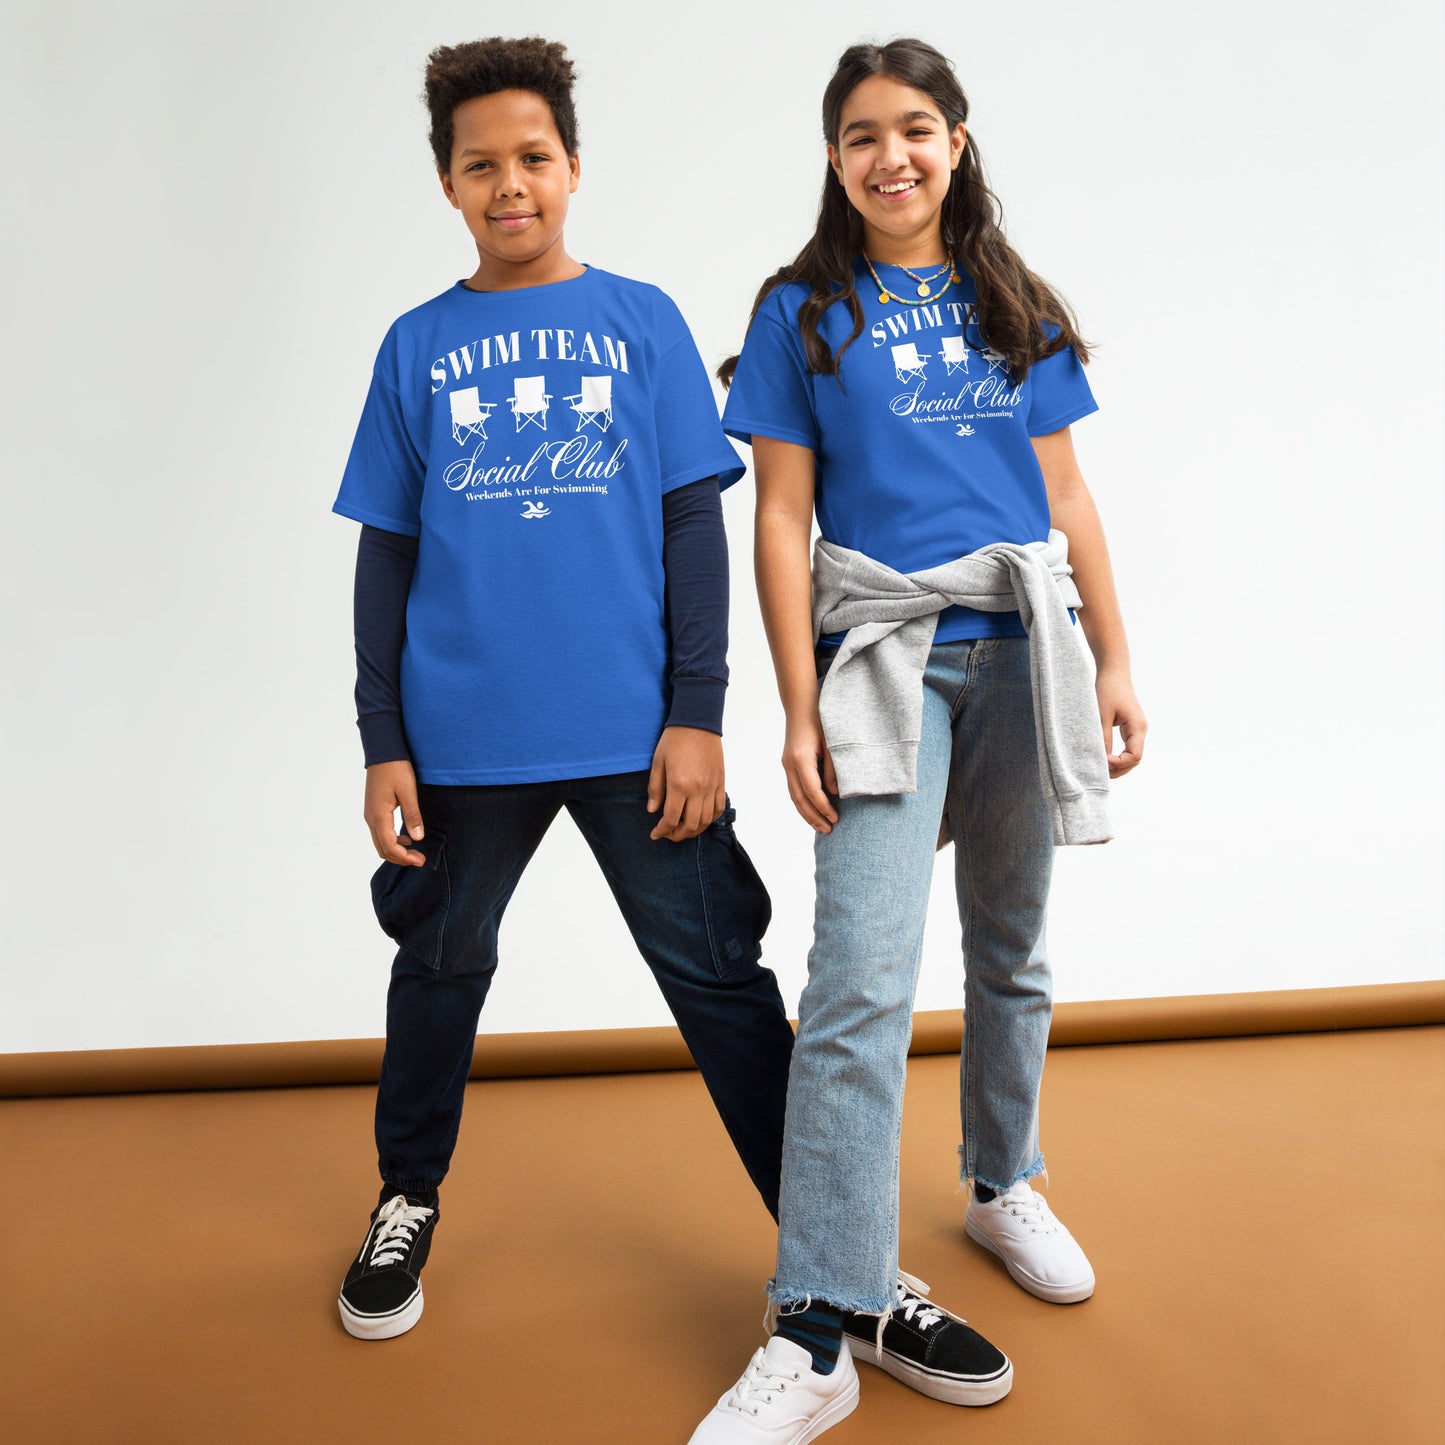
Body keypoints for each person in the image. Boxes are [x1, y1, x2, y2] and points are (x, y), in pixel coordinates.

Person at [329, 40, 1006, 1403]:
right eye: (480, 164)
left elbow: (691, 529)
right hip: (463, 742)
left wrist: (696, 715)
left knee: (727, 995)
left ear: (570, 168)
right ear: (447, 184)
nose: (509, 183)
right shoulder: (415, 345)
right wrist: (382, 737)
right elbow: (387, 554)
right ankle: (407, 1193)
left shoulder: (637, 322)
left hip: (643, 744)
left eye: (532, 157)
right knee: (440, 971)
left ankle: (846, 1270)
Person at [689, 37, 1147, 1443]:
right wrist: (789, 703)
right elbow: (777, 518)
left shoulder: (1014, 301)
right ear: (832, 161)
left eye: (913, 129)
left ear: (955, 141)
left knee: (1010, 943)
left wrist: (1115, 656)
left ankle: (1003, 1179)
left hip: (1024, 652)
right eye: (857, 137)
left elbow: (1064, 503)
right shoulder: (800, 313)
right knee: (857, 983)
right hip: (884, 657)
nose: (888, 156)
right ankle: (819, 1319)